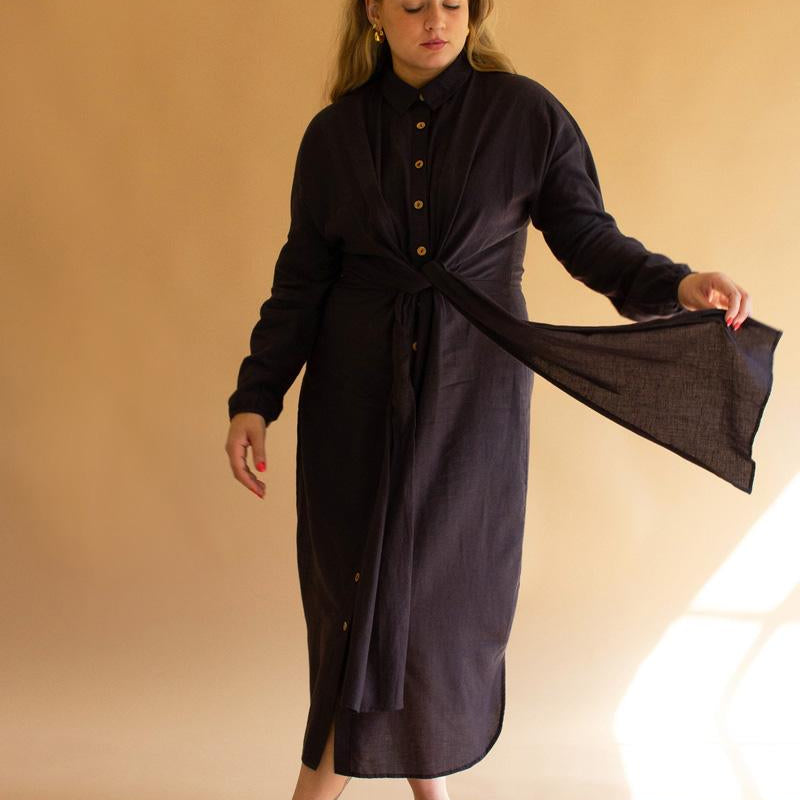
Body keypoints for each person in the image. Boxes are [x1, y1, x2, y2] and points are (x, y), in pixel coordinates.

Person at [224, 2, 776, 799]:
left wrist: (680, 283)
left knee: (435, 609)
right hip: (353, 402)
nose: (437, 19)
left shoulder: (526, 117)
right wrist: (256, 397)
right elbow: (300, 285)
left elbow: (590, 240)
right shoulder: (334, 136)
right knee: (361, 603)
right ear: (375, 11)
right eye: (414, 3)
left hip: (471, 400)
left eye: (455, 2)